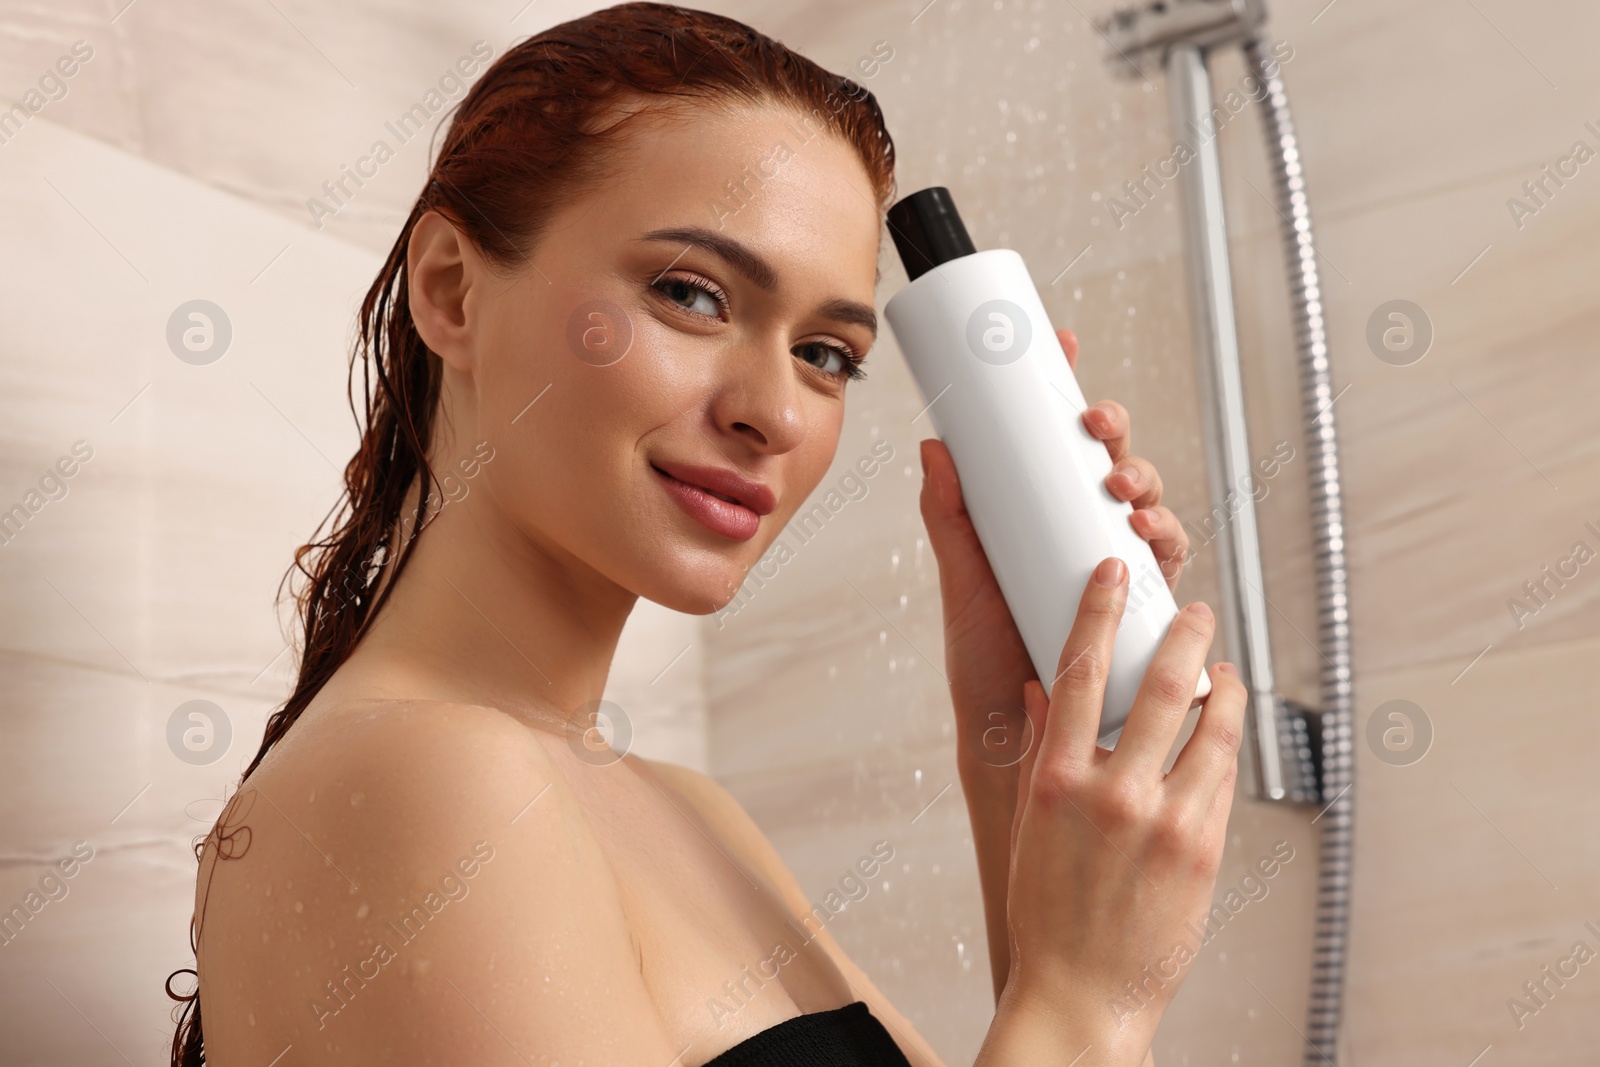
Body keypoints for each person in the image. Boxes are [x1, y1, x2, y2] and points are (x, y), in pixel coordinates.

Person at [168, 4, 1246, 1065]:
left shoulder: (688, 814)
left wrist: (1011, 748)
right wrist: (1086, 1000)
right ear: (450, 290)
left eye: (827, 353)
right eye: (691, 293)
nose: (774, 411)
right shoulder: (425, 779)